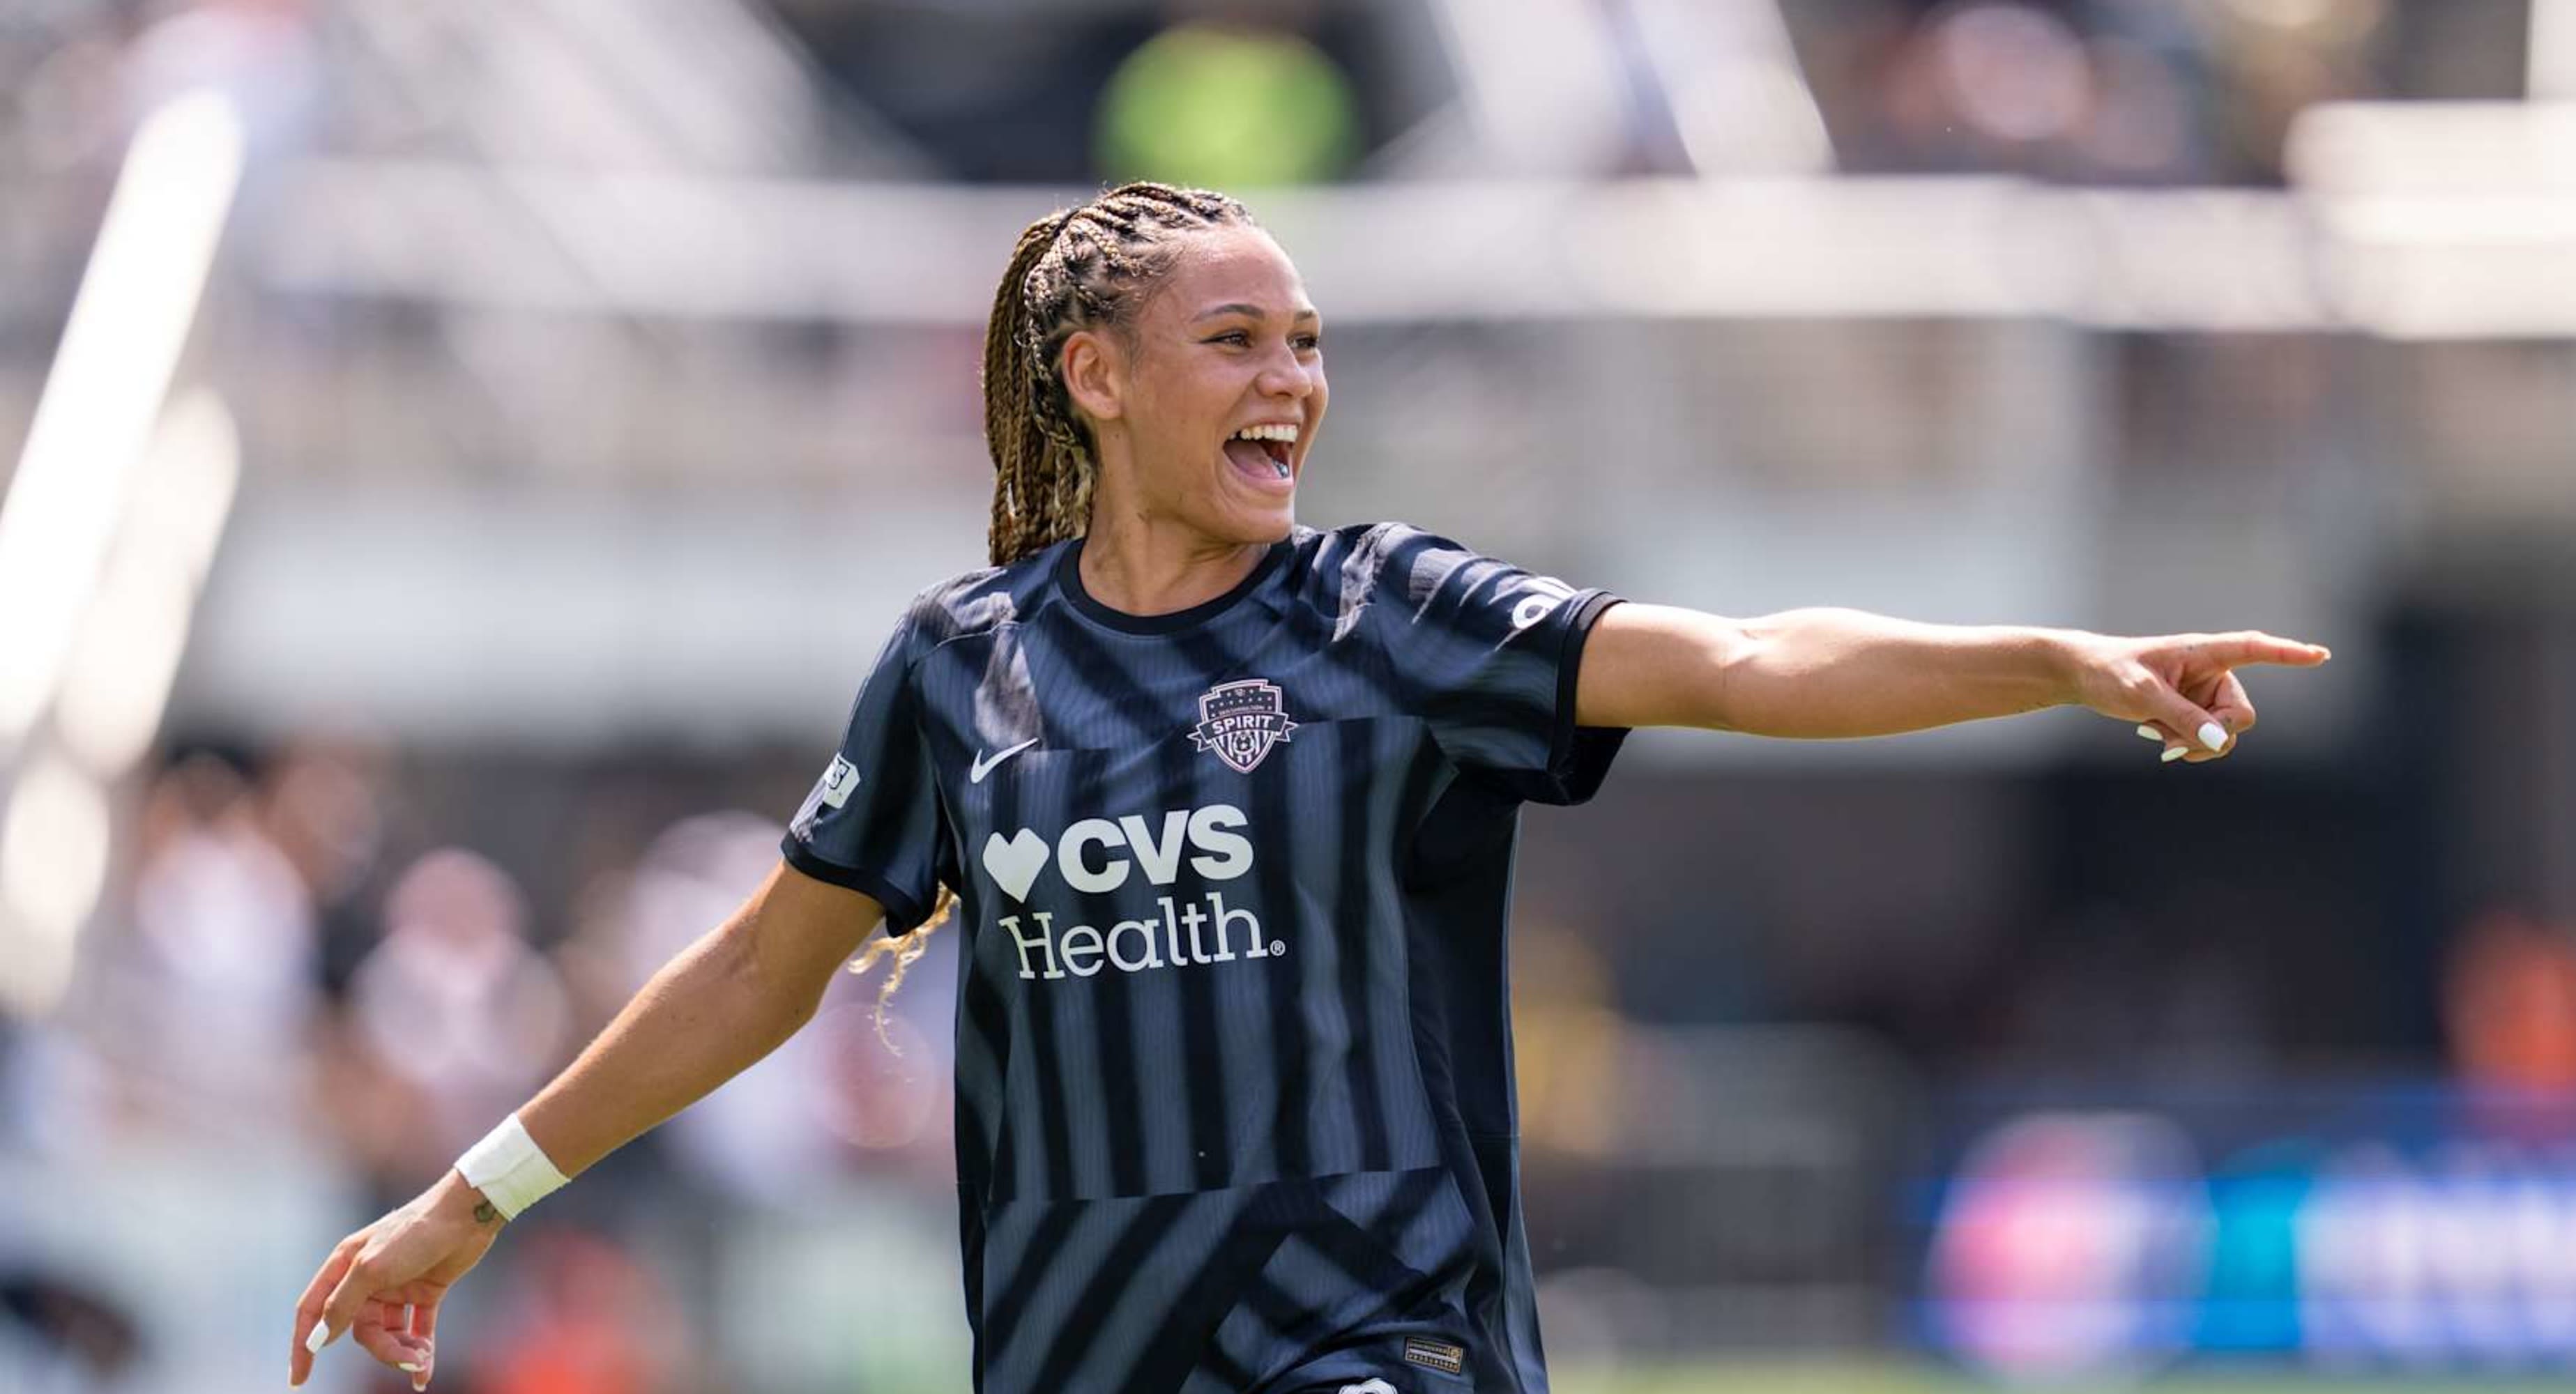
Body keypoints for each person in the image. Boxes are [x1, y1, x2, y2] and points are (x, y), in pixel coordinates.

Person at [285, 182, 2330, 1394]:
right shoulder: (960, 665)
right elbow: (755, 972)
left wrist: (2053, 661)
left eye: (1310, 342)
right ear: (1092, 376)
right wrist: (473, 1201)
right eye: (1237, 339)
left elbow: (1737, 659)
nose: (1294, 383)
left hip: (1374, 1346)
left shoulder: (1391, 614)